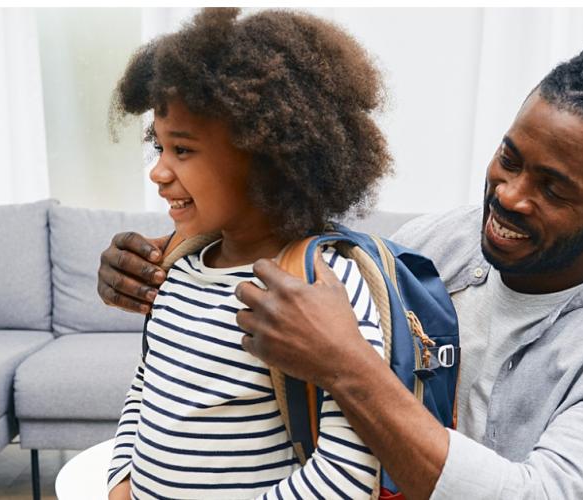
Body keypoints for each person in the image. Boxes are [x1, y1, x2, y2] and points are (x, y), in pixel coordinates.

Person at [100, 40, 583, 499]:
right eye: (510, 159)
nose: (508, 196)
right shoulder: (438, 243)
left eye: (554, 187)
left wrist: (347, 366)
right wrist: (182, 250)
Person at [104, 8, 395, 500]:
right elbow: (146, 388)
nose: (158, 172)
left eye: (183, 150)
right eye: (159, 146)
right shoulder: (175, 270)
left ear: (267, 157)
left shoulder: (322, 288)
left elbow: (349, 471)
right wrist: (122, 481)